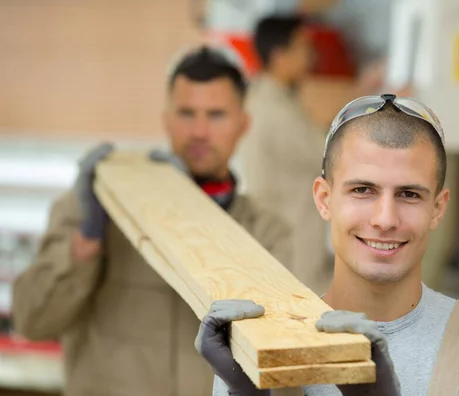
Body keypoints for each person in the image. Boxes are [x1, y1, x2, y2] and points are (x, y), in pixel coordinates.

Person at [197, 94, 459, 395]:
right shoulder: (261, 348)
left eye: (409, 194)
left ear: (437, 208)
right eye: (362, 190)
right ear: (324, 199)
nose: (385, 219)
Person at [11, 46, 292, 396]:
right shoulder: (100, 205)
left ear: (243, 124)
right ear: (167, 120)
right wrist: (87, 240)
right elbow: (32, 322)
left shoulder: (267, 232)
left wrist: (192, 214)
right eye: (187, 113)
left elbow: (278, 358)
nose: (200, 131)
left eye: (216, 114)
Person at [237, 14, 332, 295]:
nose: (311, 56)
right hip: (291, 250)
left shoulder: (274, 101)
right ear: (280, 55)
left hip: (291, 245)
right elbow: (329, 154)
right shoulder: (274, 112)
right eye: (303, 47)